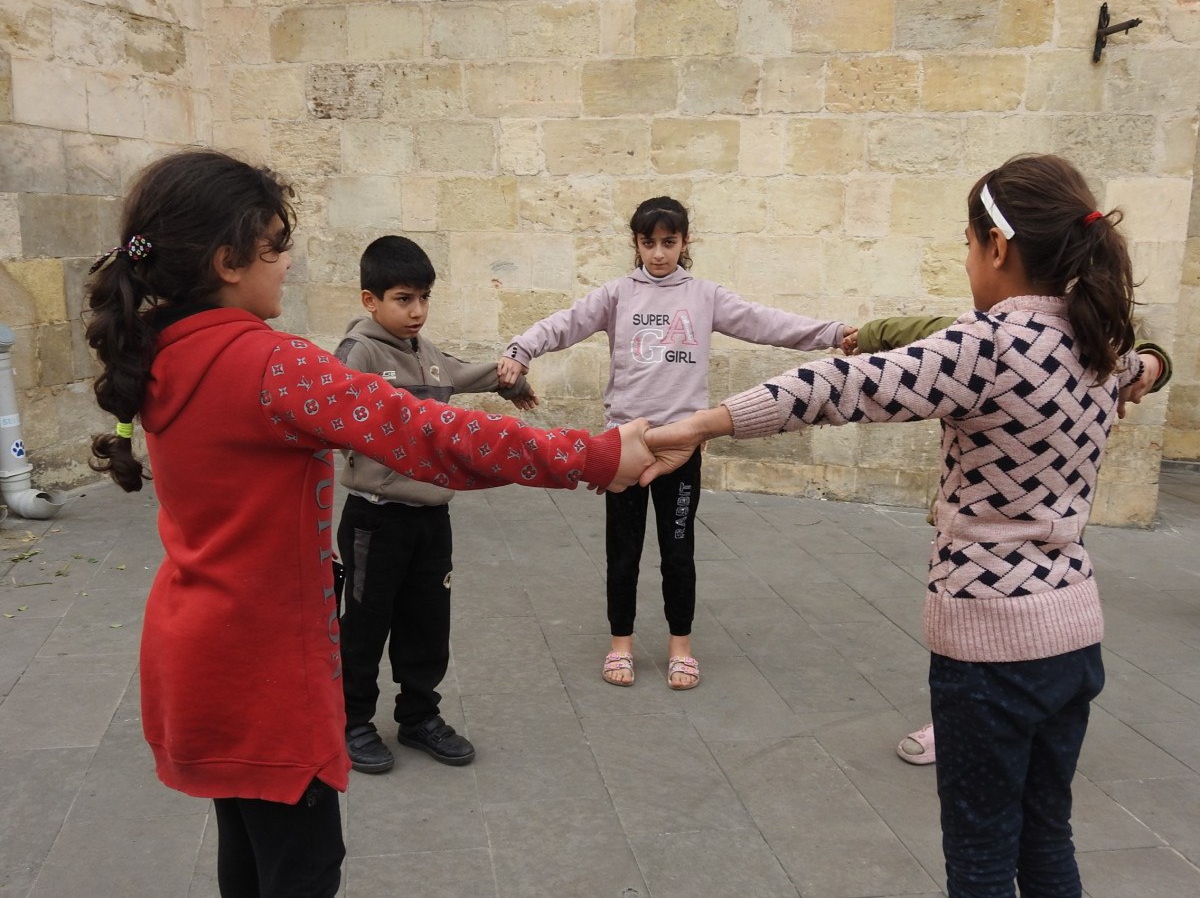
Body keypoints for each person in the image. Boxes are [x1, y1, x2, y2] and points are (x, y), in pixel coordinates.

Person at [83, 149, 651, 897]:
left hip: (195, 656)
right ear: (227, 260)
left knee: (250, 858)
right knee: (303, 870)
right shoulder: (269, 364)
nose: (287, 263)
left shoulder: (162, 352)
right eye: (276, 245)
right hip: (265, 671)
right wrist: (595, 456)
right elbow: (427, 434)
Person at [641, 154, 1145, 896]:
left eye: (968, 243)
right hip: (1074, 635)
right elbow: (1143, 369)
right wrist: (1154, 365)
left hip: (991, 642)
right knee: (1047, 835)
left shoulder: (989, 345)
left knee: (979, 856)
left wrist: (708, 423)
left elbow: (839, 385)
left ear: (998, 247)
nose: (968, 258)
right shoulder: (1100, 343)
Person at [497, 196, 850, 690]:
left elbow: (766, 322)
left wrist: (833, 334)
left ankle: (680, 646)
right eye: (648, 243)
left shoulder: (705, 296)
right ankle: (621, 642)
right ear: (636, 244)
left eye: (669, 242)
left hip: (680, 449)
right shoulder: (618, 294)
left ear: (685, 243)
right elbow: (564, 322)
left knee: (677, 551)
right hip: (625, 447)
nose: (658, 253)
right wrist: (521, 349)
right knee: (622, 553)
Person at [844, 317, 1172, 766]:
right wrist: (868, 335)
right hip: (1053, 564)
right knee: (1046, 812)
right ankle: (1006, 716)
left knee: (995, 636)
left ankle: (975, 720)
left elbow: (1147, 361)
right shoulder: (1002, 336)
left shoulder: (1083, 342)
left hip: (1015, 550)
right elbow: (920, 329)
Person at [336, 235, 539, 774]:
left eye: (424, 298)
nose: (418, 311)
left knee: (427, 623)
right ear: (370, 300)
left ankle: (418, 716)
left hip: (430, 519)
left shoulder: (425, 352)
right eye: (404, 298)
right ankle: (352, 721)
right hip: (374, 521)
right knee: (364, 624)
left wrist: (506, 380)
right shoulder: (359, 352)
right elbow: (331, 407)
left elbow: (458, 373)